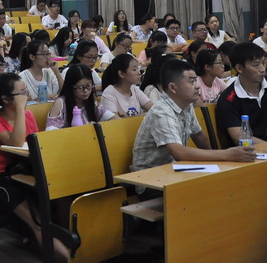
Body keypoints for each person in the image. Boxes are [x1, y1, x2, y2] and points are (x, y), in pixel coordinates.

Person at [130, 59, 255, 200]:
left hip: (174, 171)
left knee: (224, 184)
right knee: (207, 194)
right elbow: (178, 152)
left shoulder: (187, 105)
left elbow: (199, 136)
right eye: (191, 81)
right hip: (150, 180)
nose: (197, 86)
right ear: (173, 88)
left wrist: (217, 161)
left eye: (196, 80)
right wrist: (225, 154)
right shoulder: (161, 112)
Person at [0, 73, 70, 261]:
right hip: (2, 177)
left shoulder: (28, 115)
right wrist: (20, 108)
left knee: (64, 198)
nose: (26, 97)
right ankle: (68, 258)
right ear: (6, 99)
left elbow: (35, 145)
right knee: (38, 222)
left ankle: (68, 241)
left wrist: (22, 110)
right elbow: (17, 142)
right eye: (21, 93)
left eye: (26, 91)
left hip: (26, 169)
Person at [216, 43, 267, 145]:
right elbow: (238, 137)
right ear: (239, 68)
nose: (262, 69)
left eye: (263, 63)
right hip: (248, 152)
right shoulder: (228, 99)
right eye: (256, 65)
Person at [46, 64, 116, 130]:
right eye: (80, 87)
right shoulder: (60, 103)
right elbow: (51, 131)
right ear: (70, 87)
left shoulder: (92, 103)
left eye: (88, 86)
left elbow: (115, 118)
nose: (86, 91)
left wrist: (95, 126)